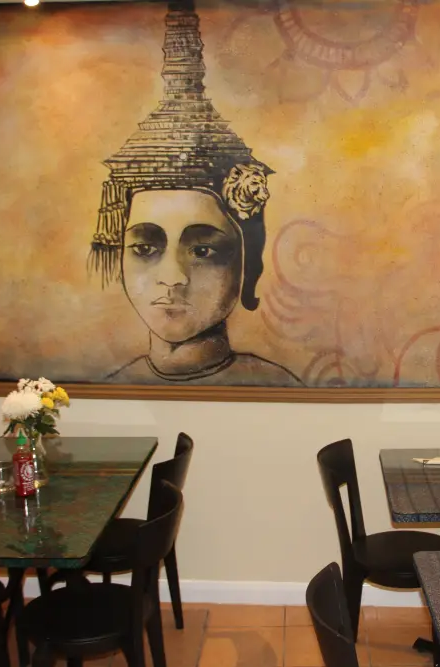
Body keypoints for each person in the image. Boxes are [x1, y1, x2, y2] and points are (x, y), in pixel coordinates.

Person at [89, 0, 301, 386]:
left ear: (248, 263)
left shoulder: (277, 388)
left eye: (203, 251)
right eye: (144, 248)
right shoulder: (111, 387)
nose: (172, 278)